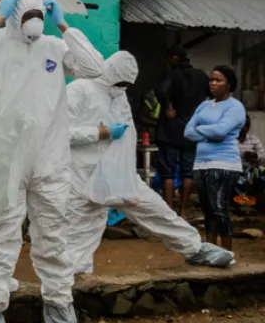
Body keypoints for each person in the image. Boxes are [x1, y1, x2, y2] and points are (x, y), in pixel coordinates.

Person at [0, 0, 104, 323]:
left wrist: (65, 25)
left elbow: (95, 68)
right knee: (1, 239)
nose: (32, 20)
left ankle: (60, 309)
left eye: (38, 13)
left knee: (53, 238)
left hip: (50, 159)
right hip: (6, 161)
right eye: (28, 13)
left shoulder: (54, 47)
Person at [65, 51, 234, 274]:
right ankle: (72, 276)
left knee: (155, 209)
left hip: (118, 172)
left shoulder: (119, 95)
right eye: (120, 82)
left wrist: (126, 168)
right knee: (83, 226)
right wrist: (99, 132)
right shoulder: (79, 90)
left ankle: (194, 249)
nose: (122, 87)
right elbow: (59, 132)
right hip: (83, 176)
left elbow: (127, 135)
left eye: (126, 84)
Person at [186, 65, 246, 252]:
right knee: (208, 210)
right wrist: (210, 133)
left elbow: (222, 131)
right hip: (201, 163)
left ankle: (227, 251)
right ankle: (211, 251)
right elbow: (187, 132)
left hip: (224, 163)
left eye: (218, 80)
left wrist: (200, 130)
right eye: (211, 79)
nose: (213, 83)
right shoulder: (204, 105)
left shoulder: (235, 107)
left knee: (219, 208)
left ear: (228, 84)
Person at [157, 46, 210, 217]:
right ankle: (183, 210)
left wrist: (167, 104)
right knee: (188, 171)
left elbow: (161, 91)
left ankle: (169, 211)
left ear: (174, 57)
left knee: (168, 171)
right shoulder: (202, 76)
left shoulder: (172, 74)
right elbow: (211, 95)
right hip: (193, 129)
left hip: (171, 129)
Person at [236, 115, 265, 206]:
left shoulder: (254, 140)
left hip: (251, 171)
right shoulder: (231, 140)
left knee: (259, 175)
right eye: (242, 126)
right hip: (234, 170)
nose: (245, 128)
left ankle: (257, 200)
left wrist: (255, 155)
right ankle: (238, 198)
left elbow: (263, 157)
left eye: (246, 126)